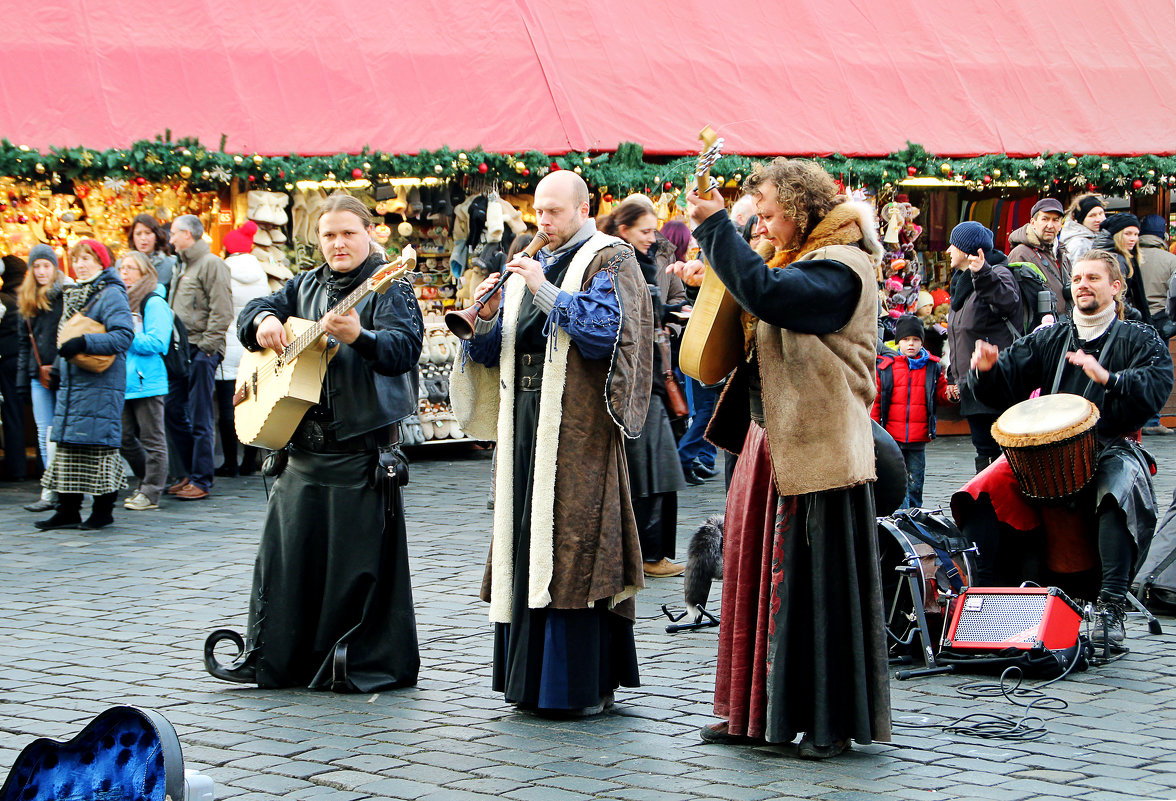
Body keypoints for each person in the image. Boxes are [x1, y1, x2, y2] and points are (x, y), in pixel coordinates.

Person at [677, 158, 890, 758]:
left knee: (812, 589)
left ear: (801, 207)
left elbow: (772, 298)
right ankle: (756, 716)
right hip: (769, 445)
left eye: (769, 215)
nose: (764, 228)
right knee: (756, 582)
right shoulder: (793, 259)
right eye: (759, 218)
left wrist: (718, 227)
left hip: (819, 449)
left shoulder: (842, 268)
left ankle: (826, 723)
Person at [450, 170, 653, 716]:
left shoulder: (610, 257)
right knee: (526, 541)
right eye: (538, 210)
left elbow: (606, 331)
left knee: (573, 547)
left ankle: (577, 685)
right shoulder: (526, 262)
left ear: (584, 209)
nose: (544, 221)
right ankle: (528, 682)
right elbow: (500, 352)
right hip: (526, 422)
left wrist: (540, 286)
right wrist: (483, 324)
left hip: (578, 429)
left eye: (555, 211)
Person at [204, 192, 423, 690]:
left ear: (371, 233)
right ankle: (283, 656)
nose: (339, 243)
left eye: (349, 232)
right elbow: (256, 309)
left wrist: (360, 338)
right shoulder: (303, 285)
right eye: (329, 234)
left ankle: (350, 659)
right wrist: (262, 322)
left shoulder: (390, 287)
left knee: (352, 569)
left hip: (359, 457)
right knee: (288, 564)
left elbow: (404, 351)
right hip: (301, 454)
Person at [952, 250, 1173, 649]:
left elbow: (1156, 387)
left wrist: (1110, 378)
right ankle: (985, 599)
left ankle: (1111, 605)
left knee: (1117, 490)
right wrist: (986, 370)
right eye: (1078, 279)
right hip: (1044, 450)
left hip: (1112, 444)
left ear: (1116, 287)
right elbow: (1008, 377)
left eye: (1094, 278)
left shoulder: (1139, 336)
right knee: (980, 492)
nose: (1083, 285)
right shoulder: (1053, 335)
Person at [602, 200, 689, 578]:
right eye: (645, 231)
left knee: (656, 467)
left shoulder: (641, 256)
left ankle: (648, 554)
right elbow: (626, 311)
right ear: (624, 229)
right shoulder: (616, 260)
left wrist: (670, 313)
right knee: (653, 467)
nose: (653, 237)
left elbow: (658, 302)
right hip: (635, 378)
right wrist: (665, 311)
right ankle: (649, 556)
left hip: (650, 374)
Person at [35, 240, 134, 531]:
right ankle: (68, 511)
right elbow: (66, 337)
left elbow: (123, 337)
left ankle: (103, 512)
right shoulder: (76, 292)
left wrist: (85, 342)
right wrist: (58, 366)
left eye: (87, 258)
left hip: (100, 384)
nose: (80, 264)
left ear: (102, 262)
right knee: (68, 448)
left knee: (97, 448)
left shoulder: (111, 293)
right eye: (76, 259)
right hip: (74, 382)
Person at [944, 221, 1021, 473]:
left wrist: (983, 273)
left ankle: (1002, 504)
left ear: (968, 251)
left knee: (1001, 450)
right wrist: (953, 376)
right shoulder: (961, 282)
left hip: (995, 383)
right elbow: (958, 336)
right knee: (984, 450)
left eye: (953, 245)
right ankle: (989, 504)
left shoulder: (997, 273)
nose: (947, 251)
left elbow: (1008, 301)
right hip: (971, 384)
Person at [166, 214, 233, 500]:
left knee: (200, 414)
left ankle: (202, 479)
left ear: (188, 234)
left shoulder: (211, 263)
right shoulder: (182, 265)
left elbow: (222, 309)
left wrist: (207, 347)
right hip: (182, 350)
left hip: (201, 350)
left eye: (174, 233)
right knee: (172, 411)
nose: (170, 238)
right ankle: (186, 472)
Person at [872, 314, 953, 509]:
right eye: (906, 340)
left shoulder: (932, 367)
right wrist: (873, 434)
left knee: (916, 482)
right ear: (898, 342)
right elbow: (876, 401)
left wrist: (951, 395)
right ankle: (900, 518)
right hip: (892, 439)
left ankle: (915, 517)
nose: (911, 344)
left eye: (916, 340)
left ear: (922, 342)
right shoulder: (886, 367)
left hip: (918, 438)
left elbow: (940, 395)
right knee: (897, 483)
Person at [117, 251, 172, 511]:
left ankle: (151, 492)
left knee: (153, 439)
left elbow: (158, 341)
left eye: (130, 269)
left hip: (147, 381)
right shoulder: (122, 302)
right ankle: (148, 481)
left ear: (144, 273)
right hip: (123, 381)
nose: (124, 274)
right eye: (122, 268)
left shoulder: (153, 302)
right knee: (123, 438)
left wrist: (124, 335)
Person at [214, 221, 270, 476]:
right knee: (251, 404)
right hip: (251, 347)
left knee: (227, 407)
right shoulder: (260, 272)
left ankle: (229, 462)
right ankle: (249, 460)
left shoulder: (222, 271)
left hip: (227, 346)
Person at [16, 245, 68, 510]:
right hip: (38, 374)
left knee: (61, 431)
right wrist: (22, 379)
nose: (41, 271)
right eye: (36, 266)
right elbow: (25, 343)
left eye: (46, 265)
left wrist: (60, 364)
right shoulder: (27, 299)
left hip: (63, 371)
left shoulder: (66, 294)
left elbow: (70, 335)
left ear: (55, 267)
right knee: (44, 431)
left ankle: (65, 486)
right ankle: (50, 488)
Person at [1007, 198, 1071, 316]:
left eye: (1055, 220)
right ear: (1033, 223)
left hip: (1063, 327)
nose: (1050, 225)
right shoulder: (1021, 253)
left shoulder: (1061, 253)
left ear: (1060, 225)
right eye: (1045, 219)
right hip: (1040, 329)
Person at [0, 256, 27, 482]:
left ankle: (16, 468)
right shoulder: (30, 299)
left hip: (8, 360)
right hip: (32, 361)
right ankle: (46, 464)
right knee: (40, 415)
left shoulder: (3, 300)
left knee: (13, 414)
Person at [1092, 213, 1144, 320]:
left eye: (1136, 234)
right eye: (1128, 234)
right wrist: (1135, 314)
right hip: (1117, 318)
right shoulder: (1117, 259)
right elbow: (1118, 296)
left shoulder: (1110, 254)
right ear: (1117, 235)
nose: (1133, 239)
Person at [128, 213, 178, 294]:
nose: (143, 238)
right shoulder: (123, 265)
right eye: (138, 234)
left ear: (156, 236)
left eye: (148, 233)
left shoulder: (171, 264)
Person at [1060, 194, 1105, 263]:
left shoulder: (1095, 236)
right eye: (1092, 215)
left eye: (1101, 213)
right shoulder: (1080, 244)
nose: (1098, 219)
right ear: (1081, 219)